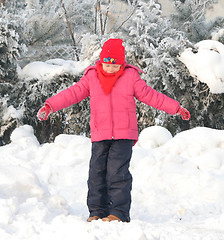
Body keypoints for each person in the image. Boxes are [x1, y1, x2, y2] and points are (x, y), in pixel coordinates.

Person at [37, 38, 190, 223]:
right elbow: (73, 93)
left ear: (122, 63)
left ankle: (118, 213)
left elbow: (151, 96)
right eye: (107, 65)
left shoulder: (130, 77)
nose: (111, 69)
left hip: (124, 135)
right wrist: (50, 105)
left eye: (115, 65)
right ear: (101, 61)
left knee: (118, 174)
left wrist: (176, 108)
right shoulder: (91, 77)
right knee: (96, 173)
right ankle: (96, 211)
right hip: (100, 134)